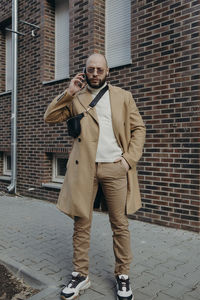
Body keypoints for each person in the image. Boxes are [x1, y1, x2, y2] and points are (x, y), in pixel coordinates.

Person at [44, 53, 146, 300]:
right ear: (85, 71)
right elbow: (49, 118)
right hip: (84, 170)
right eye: (91, 69)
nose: (95, 74)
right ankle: (80, 274)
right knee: (81, 223)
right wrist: (68, 92)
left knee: (120, 224)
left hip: (115, 168)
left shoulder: (123, 97)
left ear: (107, 71)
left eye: (100, 69)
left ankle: (122, 275)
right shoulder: (75, 96)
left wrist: (128, 160)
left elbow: (138, 128)